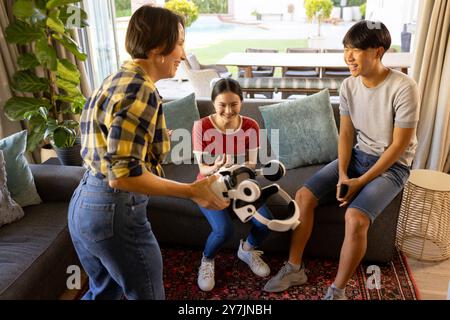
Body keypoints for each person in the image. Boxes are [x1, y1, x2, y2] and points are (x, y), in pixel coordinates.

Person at [68, 6, 228, 300]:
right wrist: (192, 190)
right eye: (179, 43)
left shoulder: (115, 78)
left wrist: (148, 140)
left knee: (104, 293)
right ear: (158, 48)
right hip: (113, 210)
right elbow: (122, 177)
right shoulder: (141, 89)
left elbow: (104, 143)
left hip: (84, 203)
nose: (182, 53)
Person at [264, 21, 420, 299]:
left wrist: (361, 181)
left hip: (392, 167)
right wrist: (346, 173)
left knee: (355, 218)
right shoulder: (348, 85)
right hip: (359, 156)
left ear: (377, 51)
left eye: (356, 50)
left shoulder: (404, 87)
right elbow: (346, 132)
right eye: (346, 49)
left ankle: (337, 291)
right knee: (303, 196)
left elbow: (399, 146)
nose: (348, 56)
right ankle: (294, 268)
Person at [192, 78, 273, 291]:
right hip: (210, 185)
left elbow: (252, 164)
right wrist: (217, 166)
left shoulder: (250, 126)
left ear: (241, 102)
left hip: (241, 182)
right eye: (222, 105)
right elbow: (202, 169)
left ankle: (246, 249)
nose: (228, 110)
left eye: (234, 104)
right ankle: (207, 260)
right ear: (213, 103)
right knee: (223, 231)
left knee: (266, 223)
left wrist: (234, 169)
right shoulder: (201, 126)